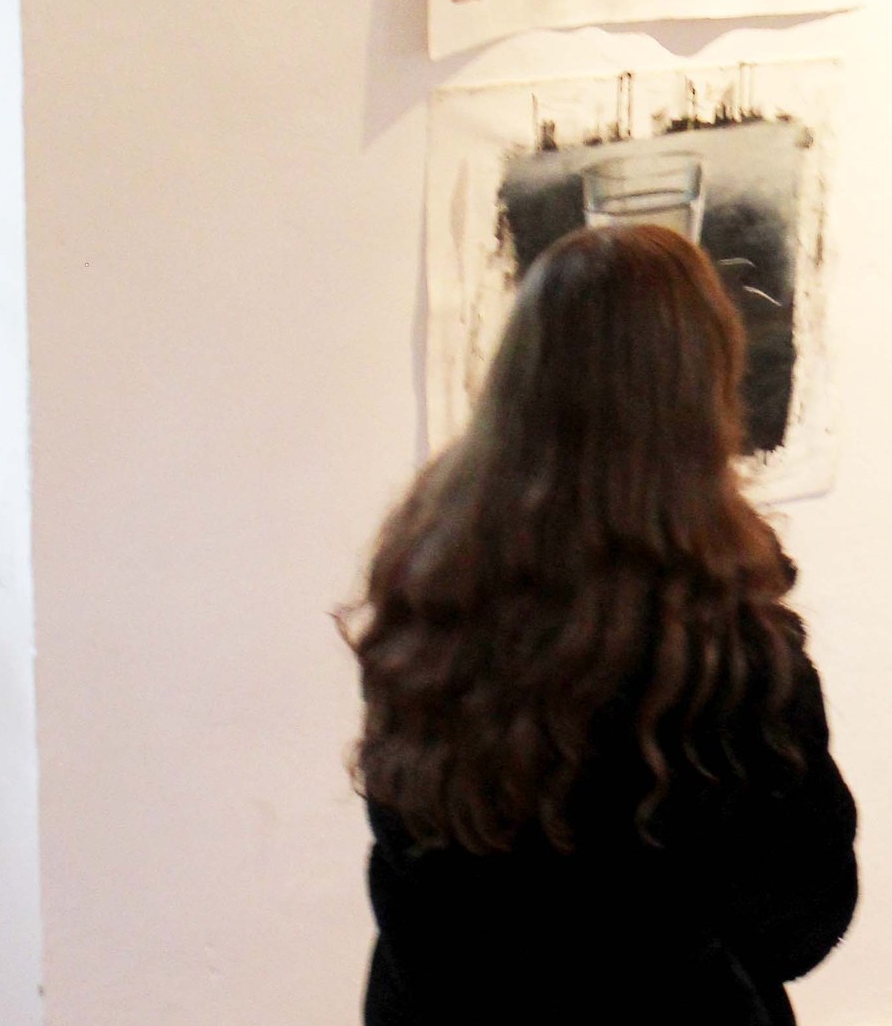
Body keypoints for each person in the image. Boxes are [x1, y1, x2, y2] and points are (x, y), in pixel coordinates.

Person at [344, 224, 859, 1025]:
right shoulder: (723, 644)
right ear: (700, 393)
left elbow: (409, 863)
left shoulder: (433, 580)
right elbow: (800, 918)